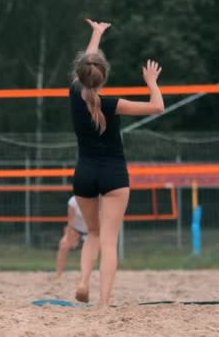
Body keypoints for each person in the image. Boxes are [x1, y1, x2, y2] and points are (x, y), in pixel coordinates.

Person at [70, 19, 164, 307]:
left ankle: (84, 281)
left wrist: (96, 34)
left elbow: (87, 63)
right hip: (113, 175)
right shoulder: (114, 104)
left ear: (81, 75)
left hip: (84, 173)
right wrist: (152, 83)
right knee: (109, 241)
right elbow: (158, 107)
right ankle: (104, 303)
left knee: (92, 234)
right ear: (103, 78)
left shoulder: (74, 94)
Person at [55, 196, 88, 278]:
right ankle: (58, 274)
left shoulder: (98, 199)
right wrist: (69, 237)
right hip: (76, 230)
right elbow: (71, 222)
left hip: (93, 231)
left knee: (103, 248)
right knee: (63, 245)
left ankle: (100, 275)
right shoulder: (73, 201)